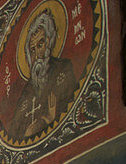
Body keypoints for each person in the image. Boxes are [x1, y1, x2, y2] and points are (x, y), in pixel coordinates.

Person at [6, 9, 78, 141]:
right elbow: (14, 131)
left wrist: (47, 120)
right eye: (32, 50)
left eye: (40, 45)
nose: (37, 55)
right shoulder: (28, 89)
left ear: (48, 43)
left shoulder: (63, 68)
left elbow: (73, 103)